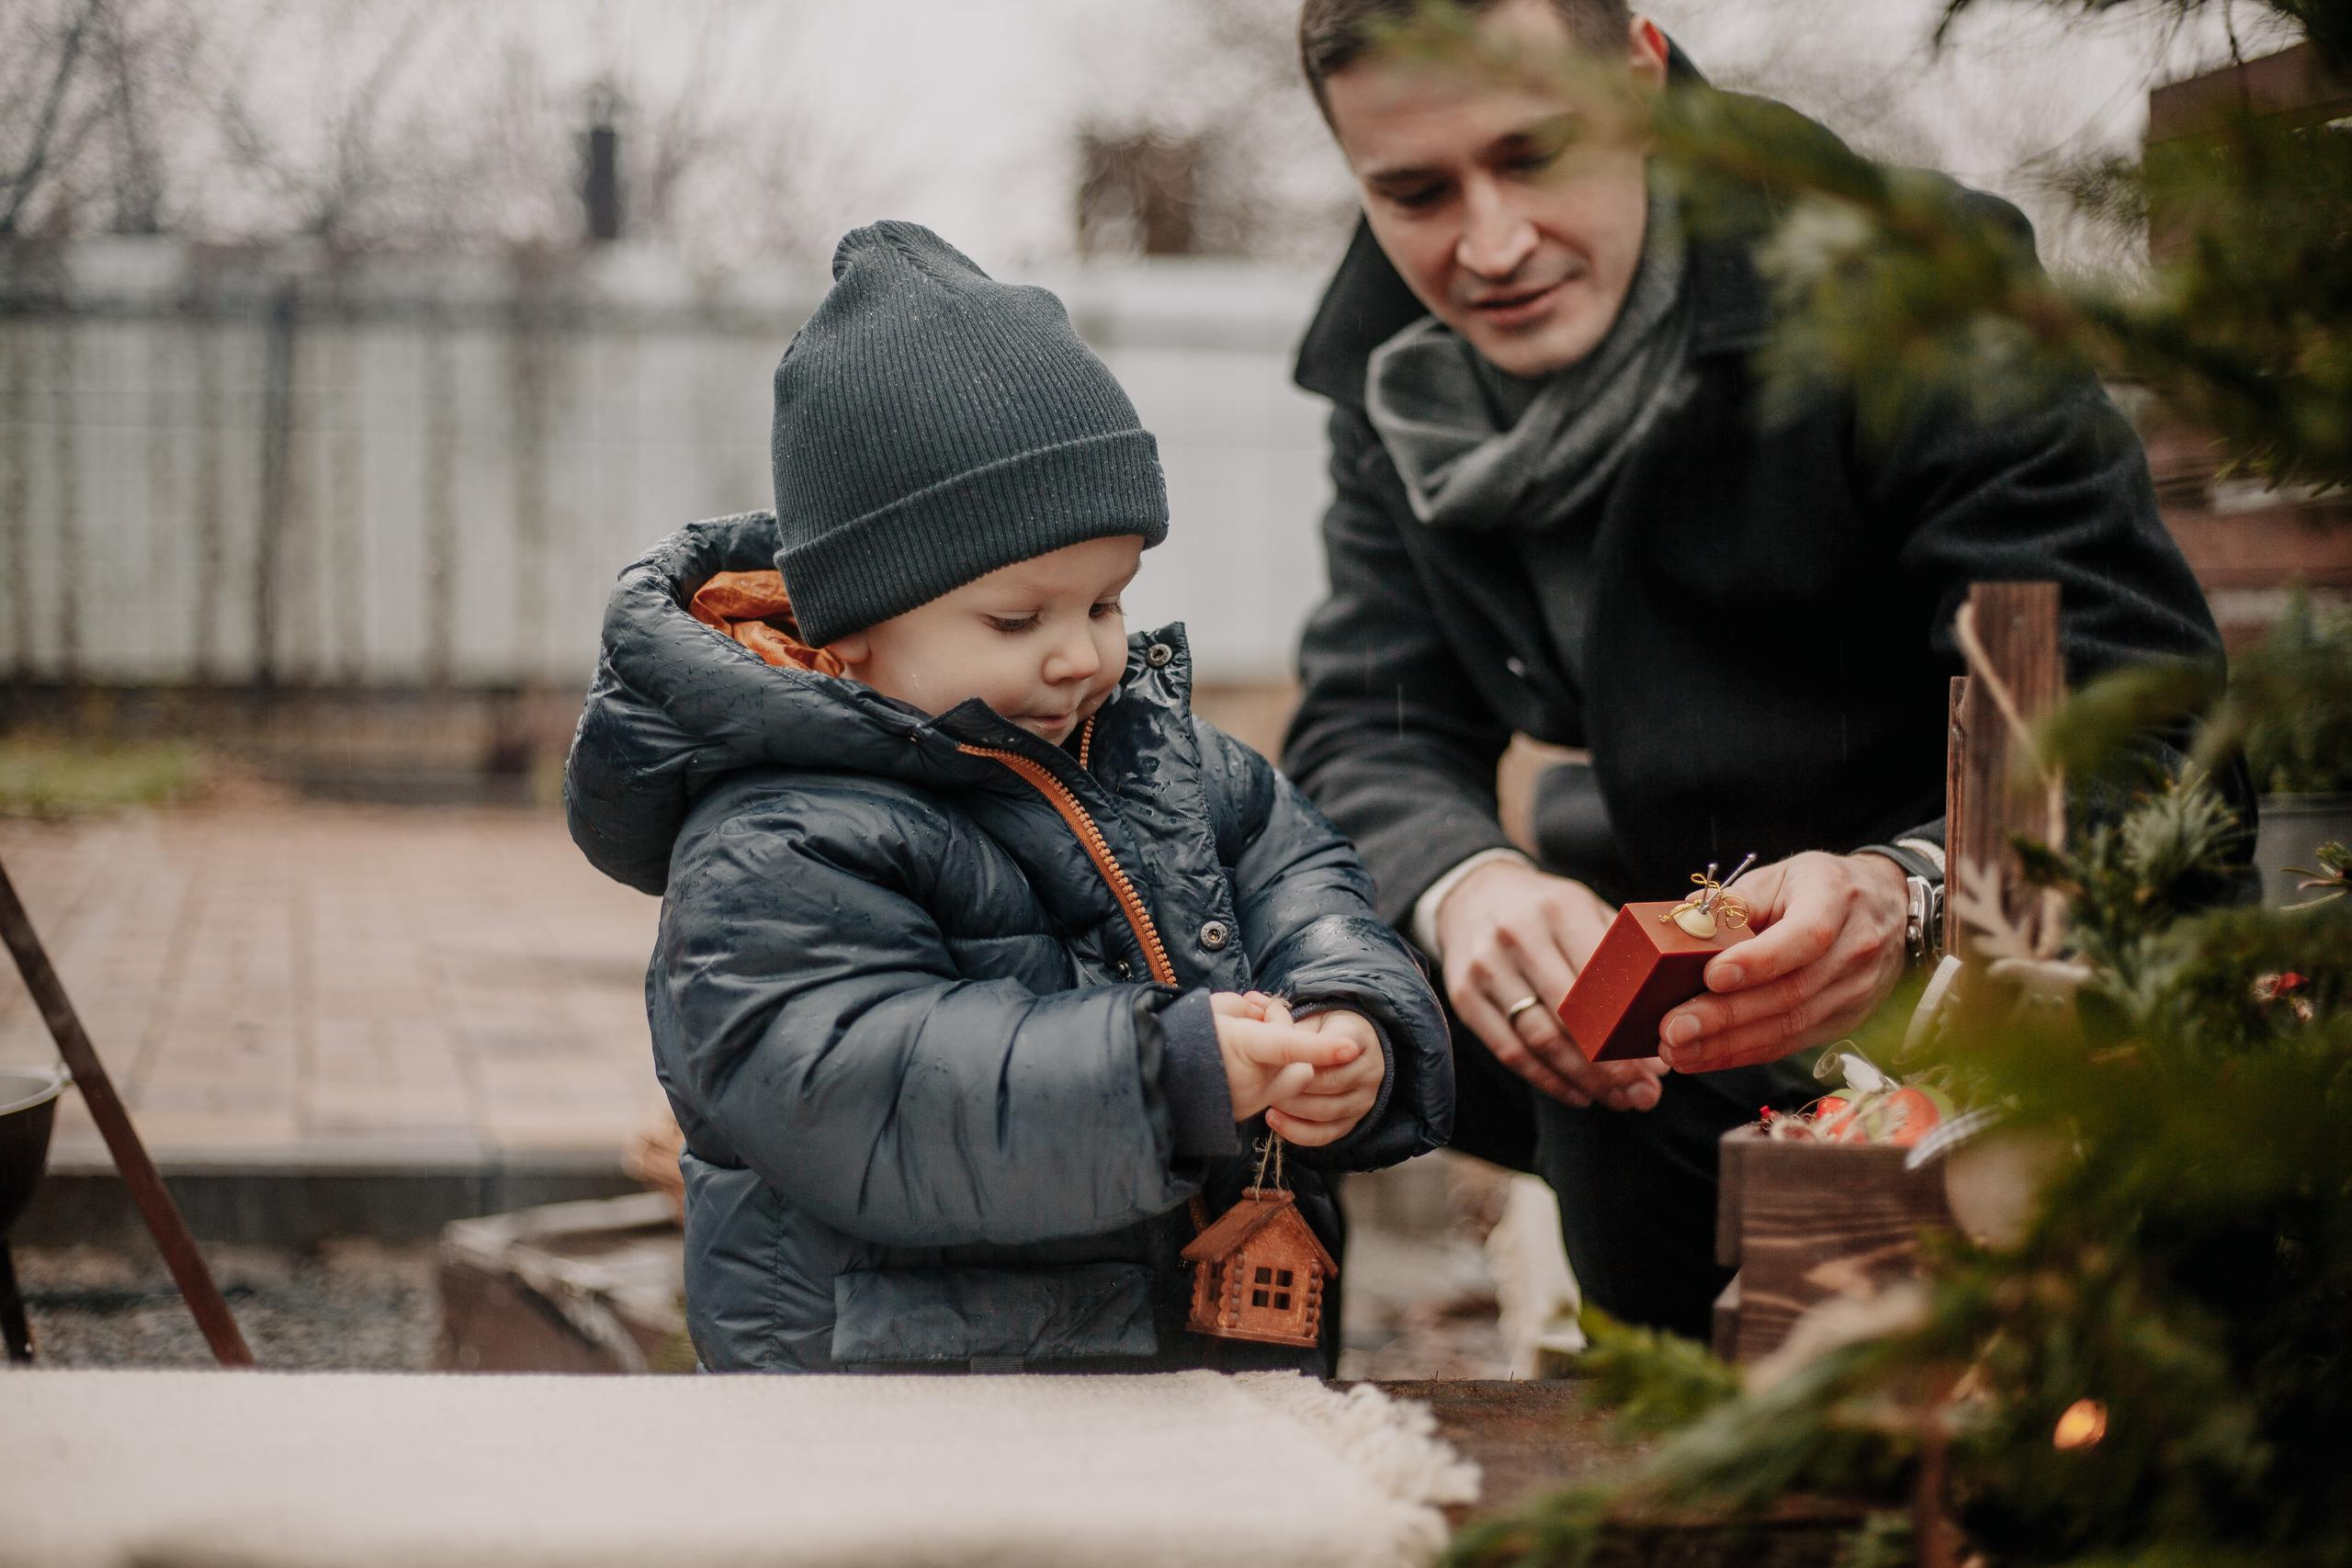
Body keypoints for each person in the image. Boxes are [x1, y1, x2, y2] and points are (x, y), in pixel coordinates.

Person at [1281, 0, 2234, 1339]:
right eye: (1415, 191)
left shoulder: (1910, 282)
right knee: (1266, 970)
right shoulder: (1392, 371)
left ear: (1643, 71)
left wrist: (1908, 892)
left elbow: (2133, 717)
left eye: (1538, 153)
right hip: (1643, 944)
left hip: (1986, 957)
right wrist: (1464, 882)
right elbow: (1365, 727)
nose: (1489, 245)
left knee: (1622, 1094)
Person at [564, 220, 1451, 1373]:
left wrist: (1354, 1016)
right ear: (856, 631)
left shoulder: (1159, 757)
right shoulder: (775, 837)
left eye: (1105, 603)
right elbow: (858, 1090)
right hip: (908, 1400)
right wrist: (1159, 1073)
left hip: (1178, 1368)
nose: (1081, 656)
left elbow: (1302, 876)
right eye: (1017, 620)